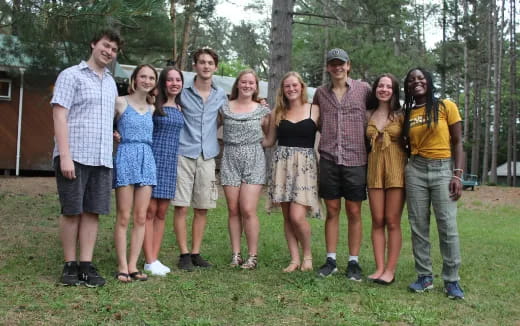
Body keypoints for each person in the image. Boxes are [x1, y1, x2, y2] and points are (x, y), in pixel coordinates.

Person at [52, 29, 122, 287]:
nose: (109, 52)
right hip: (75, 155)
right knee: (72, 211)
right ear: (93, 44)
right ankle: (69, 266)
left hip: (102, 158)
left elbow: (102, 116)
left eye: (114, 49)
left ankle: (86, 264)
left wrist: (112, 133)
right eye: (105, 46)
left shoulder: (111, 82)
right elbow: (59, 115)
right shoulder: (71, 75)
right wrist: (65, 156)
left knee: (93, 212)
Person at [402, 68, 464, 299]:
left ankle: (451, 280)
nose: (416, 82)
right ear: (407, 87)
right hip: (415, 169)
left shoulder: (446, 106)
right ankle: (424, 277)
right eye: (411, 80)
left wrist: (457, 175)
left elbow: (457, 142)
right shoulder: (408, 113)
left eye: (420, 78)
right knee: (418, 226)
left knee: (447, 226)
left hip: (442, 169)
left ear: (428, 81)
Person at [313, 48, 371, 281]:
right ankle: (331, 260)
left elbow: (377, 113)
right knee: (332, 210)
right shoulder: (320, 94)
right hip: (328, 159)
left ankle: (353, 262)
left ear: (348, 66)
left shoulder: (363, 90)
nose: (337, 67)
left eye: (341, 63)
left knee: (354, 211)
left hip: (356, 159)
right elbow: (316, 122)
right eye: (332, 64)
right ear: (328, 67)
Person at [172, 48, 228, 271]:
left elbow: (229, 115)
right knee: (181, 207)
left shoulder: (220, 95)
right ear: (194, 65)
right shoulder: (182, 93)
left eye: (210, 63)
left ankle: (196, 252)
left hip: (208, 155)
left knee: (202, 207)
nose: (206, 66)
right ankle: (184, 253)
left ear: (215, 67)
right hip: (184, 152)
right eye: (202, 62)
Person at [263, 71, 321, 273]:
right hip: (282, 166)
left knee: (297, 216)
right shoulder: (276, 112)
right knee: (287, 217)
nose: (291, 89)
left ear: (302, 87)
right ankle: (294, 259)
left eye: (295, 85)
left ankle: (307, 255)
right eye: (287, 86)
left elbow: (329, 135)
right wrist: (259, 125)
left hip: (305, 168)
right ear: (283, 90)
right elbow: (269, 141)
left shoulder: (315, 109)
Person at [221, 69, 270, 270]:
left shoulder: (263, 110)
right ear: (237, 84)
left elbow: (269, 136)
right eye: (244, 82)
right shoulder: (224, 108)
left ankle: (252, 255)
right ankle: (236, 254)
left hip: (254, 159)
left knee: (248, 209)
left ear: (256, 87)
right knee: (233, 209)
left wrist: (256, 146)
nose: (247, 85)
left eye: (251, 83)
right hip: (230, 158)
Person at [113, 64, 158, 282]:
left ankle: (133, 265)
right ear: (135, 79)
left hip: (147, 159)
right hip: (125, 156)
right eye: (143, 76)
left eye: (151, 78)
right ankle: (122, 265)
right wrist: (113, 132)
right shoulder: (120, 102)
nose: (147, 81)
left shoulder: (152, 108)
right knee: (124, 215)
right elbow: (105, 125)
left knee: (141, 216)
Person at [142, 67, 185, 276]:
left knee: (161, 213)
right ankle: (148, 260)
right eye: (170, 80)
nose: (174, 83)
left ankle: (154, 258)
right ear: (163, 82)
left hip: (170, 163)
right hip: (152, 159)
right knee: (148, 212)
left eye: (178, 80)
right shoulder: (152, 103)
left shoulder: (181, 107)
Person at [365, 74, 406, 285]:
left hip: (396, 171)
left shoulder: (401, 115)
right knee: (377, 220)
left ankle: (390, 269)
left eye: (388, 86)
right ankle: (379, 267)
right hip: (374, 171)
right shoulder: (368, 113)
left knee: (392, 221)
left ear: (394, 90)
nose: (383, 89)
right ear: (375, 89)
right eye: (380, 85)